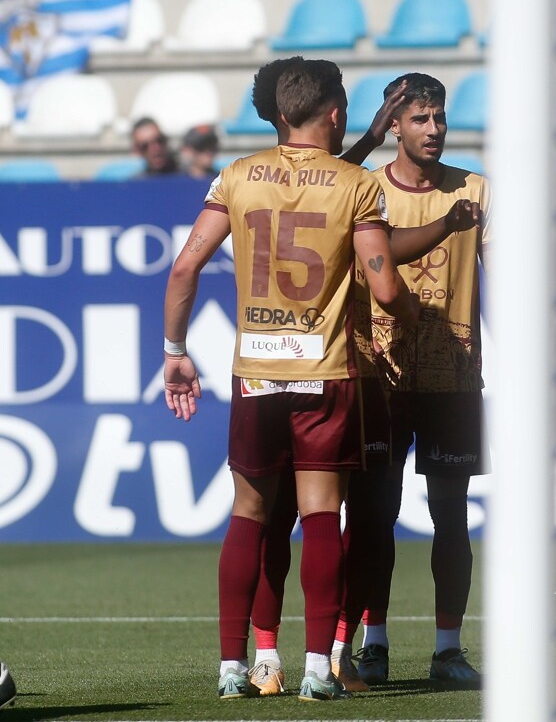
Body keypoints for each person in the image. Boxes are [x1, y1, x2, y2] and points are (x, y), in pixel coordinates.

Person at [162, 58, 418, 702]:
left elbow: (186, 267)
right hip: (325, 374)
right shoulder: (358, 185)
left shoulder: (237, 177)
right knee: (321, 513)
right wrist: (413, 312)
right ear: (334, 113)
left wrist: (175, 351)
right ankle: (314, 671)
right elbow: (384, 289)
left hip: (257, 373)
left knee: (249, 513)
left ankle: (231, 668)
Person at [337, 72, 489, 688]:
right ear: (394, 126)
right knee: (373, 514)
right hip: (380, 376)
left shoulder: (476, 189)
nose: (434, 129)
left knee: (452, 515)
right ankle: (371, 642)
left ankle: (448, 648)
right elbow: (327, 182)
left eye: (440, 117)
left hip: (453, 375)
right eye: (419, 119)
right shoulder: (363, 187)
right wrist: (367, 137)